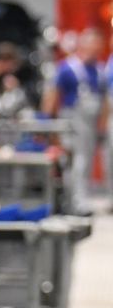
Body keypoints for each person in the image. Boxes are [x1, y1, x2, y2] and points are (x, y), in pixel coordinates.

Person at [43, 28, 108, 216]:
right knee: (74, 162)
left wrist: (102, 125)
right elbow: (52, 96)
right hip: (72, 121)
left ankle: (82, 200)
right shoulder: (67, 68)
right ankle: (73, 203)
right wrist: (48, 125)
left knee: (86, 162)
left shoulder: (99, 70)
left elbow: (104, 101)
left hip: (90, 124)